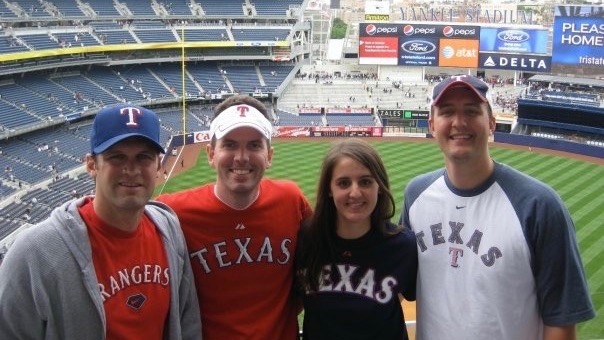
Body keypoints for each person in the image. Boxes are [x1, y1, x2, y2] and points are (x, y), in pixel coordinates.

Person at [401, 75, 595, 340]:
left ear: (491, 123)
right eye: (447, 112)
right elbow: (400, 284)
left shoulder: (539, 206)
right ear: (432, 125)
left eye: (471, 111)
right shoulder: (416, 196)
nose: (459, 122)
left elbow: (560, 320)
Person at [0, 104, 201, 340]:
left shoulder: (169, 230)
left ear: (158, 166)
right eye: (117, 157)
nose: (132, 169)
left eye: (143, 157)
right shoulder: (35, 253)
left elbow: (187, 322)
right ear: (91, 165)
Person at [157, 95, 312, 340]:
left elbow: (312, 271)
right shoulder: (173, 212)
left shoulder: (291, 200)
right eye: (229, 144)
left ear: (269, 155)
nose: (242, 157)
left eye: (254, 145)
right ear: (211, 153)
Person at [296, 138, 417, 340]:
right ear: (329, 189)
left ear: (379, 185)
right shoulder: (306, 239)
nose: (355, 192)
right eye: (343, 183)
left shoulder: (402, 245)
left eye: (366, 181)